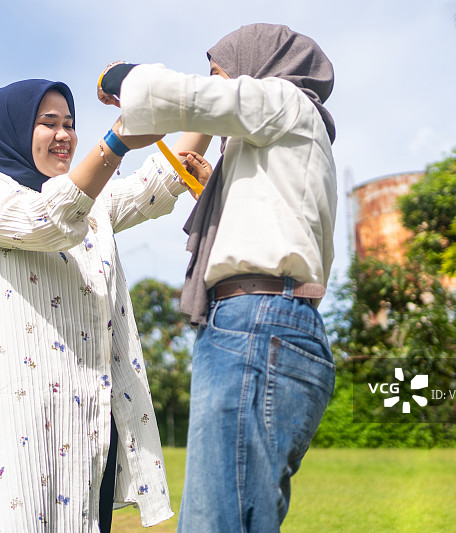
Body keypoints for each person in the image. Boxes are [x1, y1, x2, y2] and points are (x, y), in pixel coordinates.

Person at [97, 23, 338, 532]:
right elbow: (277, 218)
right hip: (279, 324)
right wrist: (215, 187)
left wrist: (121, 76)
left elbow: (191, 98)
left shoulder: (285, 101)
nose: (219, 85)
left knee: (215, 523)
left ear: (259, 65)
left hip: (255, 323)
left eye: (222, 74)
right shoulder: (298, 143)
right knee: (236, 517)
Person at [0, 78, 208, 532]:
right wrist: (116, 142)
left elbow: (161, 178)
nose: (65, 134)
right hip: (18, 422)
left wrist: (210, 100)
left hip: (90, 418)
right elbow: (48, 221)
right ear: (8, 130)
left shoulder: (91, 199)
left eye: (70, 123)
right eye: (48, 123)